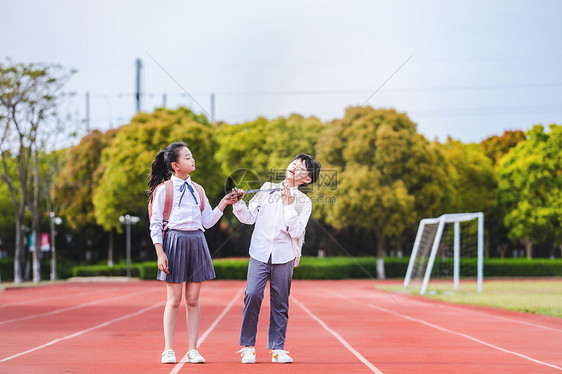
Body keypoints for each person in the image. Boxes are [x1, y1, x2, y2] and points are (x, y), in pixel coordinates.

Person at [147, 141, 239, 365]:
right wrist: (160, 252)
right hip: (174, 241)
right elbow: (156, 223)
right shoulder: (163, 190)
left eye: (191, 156)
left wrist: (224, 203)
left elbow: (206, 222)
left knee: (193, 299)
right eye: (187, 157)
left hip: (197, 241)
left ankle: (192, 349)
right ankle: (168, 349)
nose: (193, 159)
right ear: (175, 165)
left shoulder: (199, 189)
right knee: (174, 299)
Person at [232, 153, 321, 364]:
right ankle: (248, 347)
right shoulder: (266, 187)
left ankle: (277, 348)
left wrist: (289, 205)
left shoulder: (303, 202)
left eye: (301, 168)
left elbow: (297, 231)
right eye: (294, 163)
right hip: (260, 252)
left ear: (307, 179)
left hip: (285, 256)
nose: (295, 167)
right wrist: (238, 203)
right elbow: (249, 218)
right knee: (252, 294)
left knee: (280, 303)